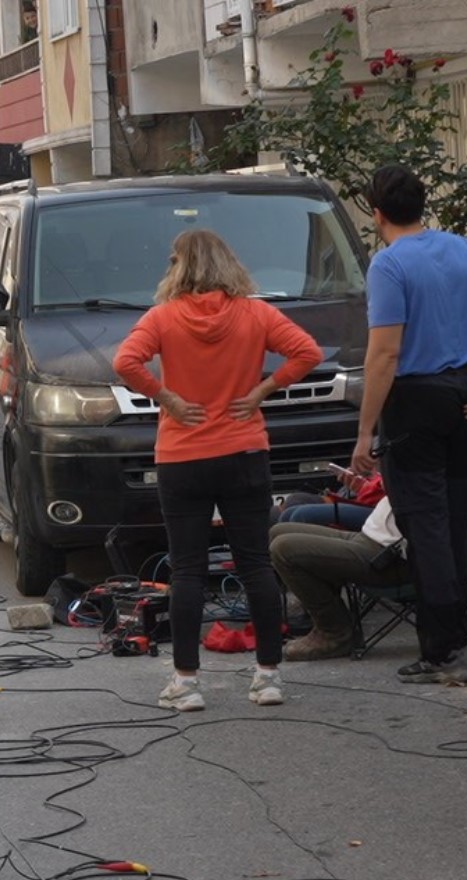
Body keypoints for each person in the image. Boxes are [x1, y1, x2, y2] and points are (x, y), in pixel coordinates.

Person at [113, 229, 323, 711]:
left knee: (186, 568)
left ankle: (186, 683)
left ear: (178, 267)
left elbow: (126, 361)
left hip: (182, 456)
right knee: (254, 563)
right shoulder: (256, 313)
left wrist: (166, 397)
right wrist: (263, 391)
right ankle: (267, 677)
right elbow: (308, 352)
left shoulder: (162, 318)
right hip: (244, 452)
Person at [351, 164, 467, 683]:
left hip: (414, 399)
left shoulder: (388, 265)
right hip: (460, 393)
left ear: (377, 213)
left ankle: (438, 647)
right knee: (453, 515)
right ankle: (459, 624)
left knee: (422, 518)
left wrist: (365, 432)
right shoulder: (459, 248)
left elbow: (384, 354)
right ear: (421, 205)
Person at [274, 431, 467, 663]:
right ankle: (327, 619)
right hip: (378, 534)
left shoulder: (463, 460)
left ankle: (335, 632)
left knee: (284, 548)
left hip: (390, 555)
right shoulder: (455, 443)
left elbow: (446, 525)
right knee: (279, 532)